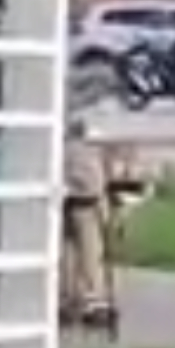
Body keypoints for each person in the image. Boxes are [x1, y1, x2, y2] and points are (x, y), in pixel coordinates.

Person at [60, 117, 115, 334]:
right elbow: (98, 186)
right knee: (89, 255)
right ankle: (91, 300)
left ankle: (70, 299)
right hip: (87, 205)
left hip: (72, 205)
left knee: (69, 255)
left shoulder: (63, 150)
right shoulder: (90, 153)